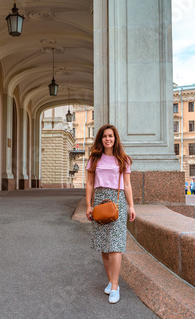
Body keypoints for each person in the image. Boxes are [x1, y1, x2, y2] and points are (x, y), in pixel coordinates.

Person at [85, 124, 136, 304]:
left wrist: (131, 206)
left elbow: (127, 185)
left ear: (115, 139)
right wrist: (88, 205)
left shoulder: (123, 160)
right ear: (101, 139)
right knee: (104, 246)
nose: (108, 139)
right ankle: (110, 280)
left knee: (115, 245)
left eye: (111, 136)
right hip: (99, 202)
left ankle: (115, 286)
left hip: (117, 201)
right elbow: (90, 184)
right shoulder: (94, 159)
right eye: (105, 136)